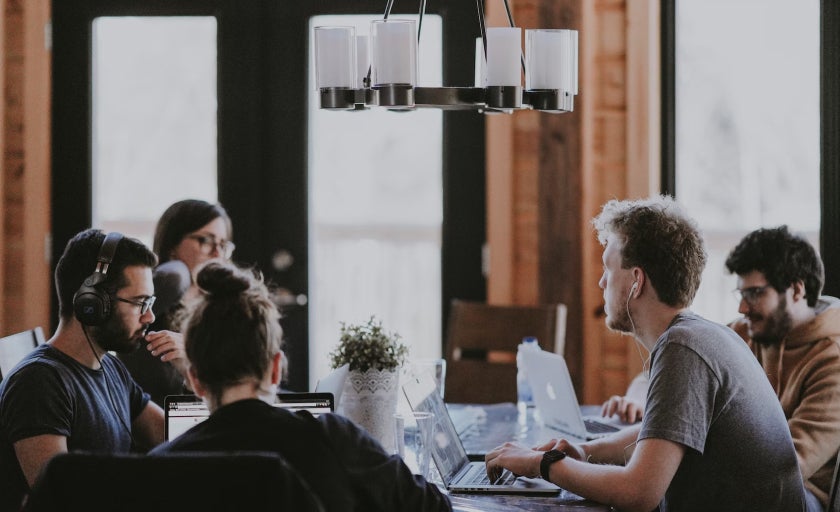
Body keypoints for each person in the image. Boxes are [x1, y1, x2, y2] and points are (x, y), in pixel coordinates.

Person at [485, 196, 805, 511]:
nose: (601, 282)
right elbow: (661, 433)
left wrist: (541, 464)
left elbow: (638, 493)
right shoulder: (707, 335)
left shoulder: (683, 347)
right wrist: (583, 452)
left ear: (636, 281)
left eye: (608, 268)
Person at [149, 260, 451, 512]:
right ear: (276, 369)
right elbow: (433, 507)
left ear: (195, 380)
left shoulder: (162, 465)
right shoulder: (333, 440)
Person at [0, 229, 180, 511]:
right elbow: (59, 499)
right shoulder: (39, 382)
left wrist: (195, 368)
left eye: (150, 303)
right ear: (91, 304)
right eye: (139, 303)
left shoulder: (110, 367)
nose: (150, 317)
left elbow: (175, 438)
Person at [725, 225, 840, 512]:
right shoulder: (743, 333)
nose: (742, 308)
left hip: (800, 494)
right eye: (740, 294)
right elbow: (674, 374)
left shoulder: (833, 357)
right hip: (739, 478)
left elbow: (789, 465)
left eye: (754, 293)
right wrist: (639, 400)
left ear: (797, 290)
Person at [118, 199, 234, 407]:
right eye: (205, 240)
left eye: (223, 245)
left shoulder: (224, 305)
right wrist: (180, 269)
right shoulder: (158, 294)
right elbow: (172, 277)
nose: (217, 253)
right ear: (172, 244)